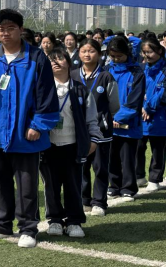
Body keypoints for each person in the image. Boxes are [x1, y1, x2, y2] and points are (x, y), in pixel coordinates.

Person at [0, 9, 59, 249]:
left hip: (25, 131)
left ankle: (28, 228)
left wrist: (38, 124)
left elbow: (46, 95)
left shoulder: (36, 57)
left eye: (10, 28)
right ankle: (2, 224)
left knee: (26, 183)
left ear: (20, 29)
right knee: (0, 181)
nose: (5, 33)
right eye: (1, 29)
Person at [41, 48, 102, 238]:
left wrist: (94, 139)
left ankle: (74, 221)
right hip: (48, 146)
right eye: (51, 59)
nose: (55, 62)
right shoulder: (42, 89)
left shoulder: (80, 89)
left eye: (60, 58)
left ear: (69, 62)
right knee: (51, 186)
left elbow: (91, 118)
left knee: (73, 185)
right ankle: (55, 220)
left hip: (73, 145)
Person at [72, 38, 119, 217]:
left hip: (101, 131)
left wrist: (104, 119)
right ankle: (84, 200)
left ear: (99, 54)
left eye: (91, 51)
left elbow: (114, 105)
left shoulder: (106, 76)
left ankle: (99, 202)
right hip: (78, 131)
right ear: (79, 54)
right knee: (81, 167)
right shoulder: (73, 75)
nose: (87, 54)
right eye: (84, 51)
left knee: (100, 168)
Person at [104, 36, 145, 200]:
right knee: (111, 156)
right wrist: (108, 117)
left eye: (119, 56)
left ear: (127, 53)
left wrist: (119, 117)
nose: (116, 59)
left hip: (129, 124)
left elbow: (135, 100)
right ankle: (114, 185)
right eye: (112, 56)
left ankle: (128, 187)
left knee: (127, 158)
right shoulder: (106, 70)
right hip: (108, 122)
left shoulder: (136, 72)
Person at [136, 37, 166, 192]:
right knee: (138, 146)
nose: (147, 55)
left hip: (160, 115)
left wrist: (148, 107)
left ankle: (155, 178)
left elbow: (163, 93)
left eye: (150, 52)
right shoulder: (141, 68)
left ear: (159, 50)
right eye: (144, 52)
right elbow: (135, 90)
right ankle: (139, 175)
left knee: (157, 149)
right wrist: (141, 106)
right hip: (141, 114)